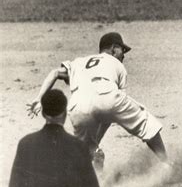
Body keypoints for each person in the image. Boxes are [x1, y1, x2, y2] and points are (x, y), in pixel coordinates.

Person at [26, 32, 167, 170]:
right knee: (146, 123)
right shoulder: (118, 65)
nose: (123, 55)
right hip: (107, 96)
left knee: (84, 148)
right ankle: (166, 164)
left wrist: (39, 98)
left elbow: (55, 73)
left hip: (77, 104)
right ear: (113, 49)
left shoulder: (79, 61)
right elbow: (110, 110)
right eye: (122, 50)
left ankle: (93, 156)